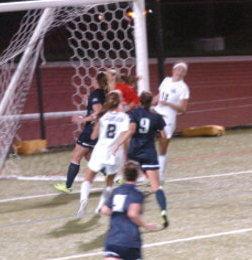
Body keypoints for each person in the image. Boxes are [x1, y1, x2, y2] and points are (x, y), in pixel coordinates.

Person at [75, 161, 158, 260]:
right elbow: (132, 214)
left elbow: (104, 210)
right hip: (130, 240)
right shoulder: (137, 194)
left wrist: (116, 212)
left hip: (113, 239)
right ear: (138, 176)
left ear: (123, 175)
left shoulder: (116, 191)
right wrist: (146, 225)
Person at [113, 91, 170, 228]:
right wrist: (160, 143)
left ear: (139, 101)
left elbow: (131, 130)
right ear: (151, 102)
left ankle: (124, 211)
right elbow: (164, 136)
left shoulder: (134, 114)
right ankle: (163, 211)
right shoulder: (157, 117)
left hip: (134, 152)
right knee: (156, 186)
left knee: (128, 183)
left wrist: (119, 143)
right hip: (149, 153)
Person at [77, 90, 131, 218]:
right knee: (109, 181)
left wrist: (97, 125)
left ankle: (83, 200)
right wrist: (126, 155)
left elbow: (93, 136)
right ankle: (100, 207)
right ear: (119, 101)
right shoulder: (124, 117)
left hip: (100, 150)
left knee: (88, 177)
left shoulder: (102, 115)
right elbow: (126, 137)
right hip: (115, 153)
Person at [54, 71, 111, 194]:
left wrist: (82, 119)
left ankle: (67, 186)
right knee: (89, 156)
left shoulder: (96, 94)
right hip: (101, 129)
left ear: (97, 81)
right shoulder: (105, 93)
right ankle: (111, 176)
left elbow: (99, 114)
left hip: (92, 130)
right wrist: (88, 101)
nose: (92, 80)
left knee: (76, 156)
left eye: (94, 79)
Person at [152, 62, 190, 183]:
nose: (179, 71)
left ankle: (161, 175)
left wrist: (168, 104)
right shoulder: (166, 80)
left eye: (182, 70)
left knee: (162, 145)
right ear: (173, 70)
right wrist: (148, 103)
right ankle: (146, 172)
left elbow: (183, 109)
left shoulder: (183, 88)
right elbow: (159, 95)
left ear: (185, 73)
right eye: (178, 69)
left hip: (168, 118)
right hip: (156, 113)